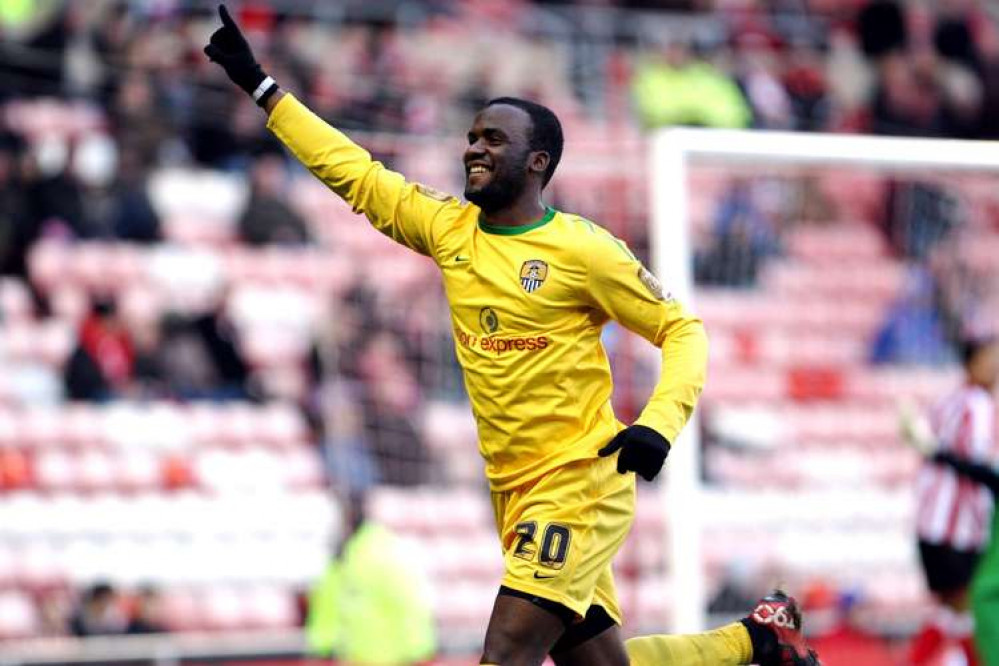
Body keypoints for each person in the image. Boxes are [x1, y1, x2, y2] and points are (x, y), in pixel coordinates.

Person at [205, 7, 821, 665]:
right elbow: (355, 174)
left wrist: (658, 424)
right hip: (514, 492)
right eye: (471, 136)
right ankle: (757, 640)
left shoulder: (583, 250)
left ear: (536, 162)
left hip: (577, 482)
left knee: (502, 658)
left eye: (492, 139)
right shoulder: (449, 232)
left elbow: (682, 330)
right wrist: (263, 89)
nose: (473, 147)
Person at [908, 337, 998, 665]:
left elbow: (930, 447)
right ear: (972, 363)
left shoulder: (946, 401)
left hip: (930, 523)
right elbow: (978, 465)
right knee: (965, 607)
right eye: (990, 359)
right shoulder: (978, 404)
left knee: (951, 609)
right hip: (956, 529)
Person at [306, 492, 436, 664]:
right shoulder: (343, 557)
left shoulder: (380, 553)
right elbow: (328, 607)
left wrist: (417, 652)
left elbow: (408, 603)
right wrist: (322, 647)